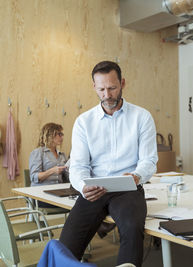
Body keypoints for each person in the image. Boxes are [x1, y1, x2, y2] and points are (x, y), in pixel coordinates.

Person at [59, 61, 158, 267]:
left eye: (112, 88)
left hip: (128, 188)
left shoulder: (142, 117)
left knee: (132, 228)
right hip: (94, 189)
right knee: (66, 247)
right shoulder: (83, 122)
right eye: (102, 89)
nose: (107, 94)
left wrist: (137, 176)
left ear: (122, 83)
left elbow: (149, 160)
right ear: (94, 87)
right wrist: (83, 186)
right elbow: (78, 165)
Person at [29, 123, 67, 208]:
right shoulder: (38, 152)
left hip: (58, 193)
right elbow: (34, 177)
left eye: (62, 134)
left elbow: (67, 178)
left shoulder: (62, 155)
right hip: (42, 195)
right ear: (50, 135)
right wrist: (52, 171)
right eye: (59, 134)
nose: (62, 137)